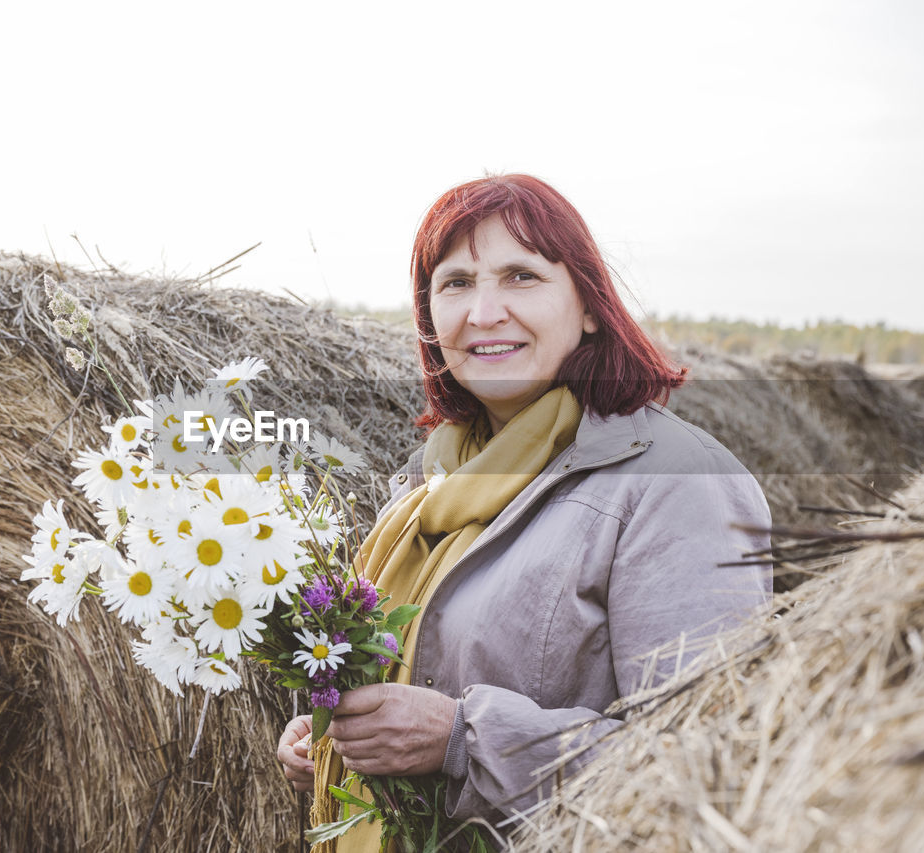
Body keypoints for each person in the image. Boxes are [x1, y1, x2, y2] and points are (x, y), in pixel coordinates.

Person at [277, 174, 771, 849]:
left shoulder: (673, 483)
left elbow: (711, 764)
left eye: (520, 275)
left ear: (590, 306)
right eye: (455, 283)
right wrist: (340, 741)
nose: (484, 312)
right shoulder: (432, 477)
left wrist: (462, 740)